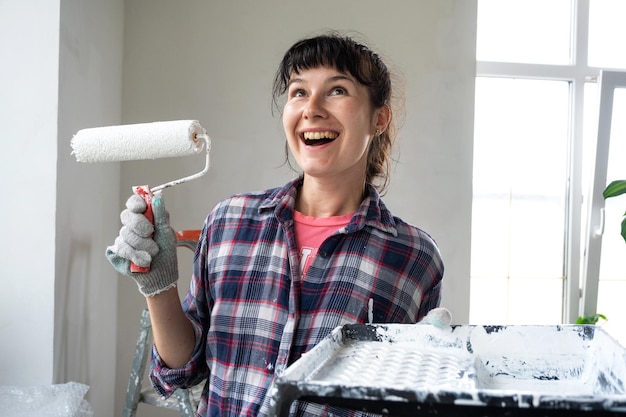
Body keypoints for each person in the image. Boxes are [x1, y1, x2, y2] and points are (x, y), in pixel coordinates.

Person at [107, 32, 445, 417]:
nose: (311, 108)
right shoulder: (228, 222)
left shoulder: (414, 257)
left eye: (336, 90)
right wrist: (157, 286)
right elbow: (183, 370)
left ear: (378, 118)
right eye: (299, 92)